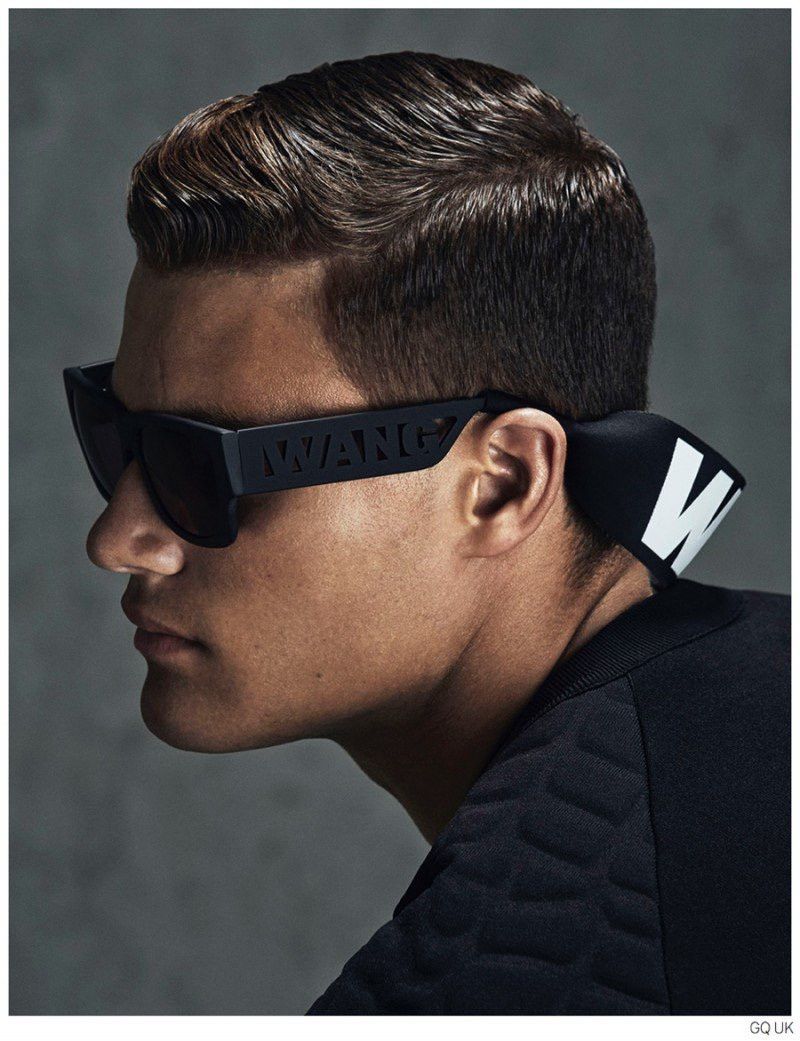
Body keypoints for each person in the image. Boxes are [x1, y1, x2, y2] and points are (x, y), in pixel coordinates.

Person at [64, 52, 789, 1014]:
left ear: (502, 484)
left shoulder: (501, 983)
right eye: (115, 436)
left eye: (200, 465)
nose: (118, 537)